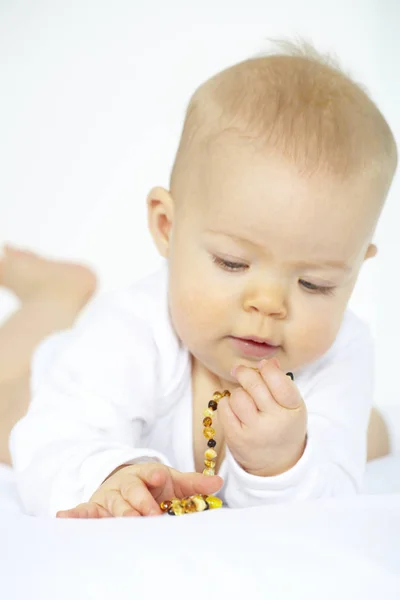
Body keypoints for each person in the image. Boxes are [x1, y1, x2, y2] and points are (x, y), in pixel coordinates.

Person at [7, 42, 397, 518]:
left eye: (314, 284)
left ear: (355, 271)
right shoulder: (131, 330)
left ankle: (367, 425)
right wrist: (111, 477)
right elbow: (52, 439)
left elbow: (330, 505)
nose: (269, 304)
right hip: (44, 384)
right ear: (168, 227)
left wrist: (283, 464)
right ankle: (53, 296)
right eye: (233, 263)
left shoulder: (340, 353)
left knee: (360, 437)